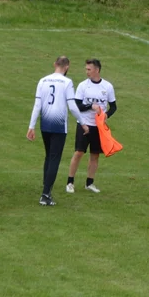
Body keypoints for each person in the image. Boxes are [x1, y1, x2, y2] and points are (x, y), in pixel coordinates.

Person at [27, 56, 86, 206]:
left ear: (55, 65)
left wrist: (31, 126)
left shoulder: (43, 80)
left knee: (48, 156)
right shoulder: (67, 82)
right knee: (54, 158)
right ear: (67, 67)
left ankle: (46, 187)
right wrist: (83, 122)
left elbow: (37, 104)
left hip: (45, 124)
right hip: (59, 125)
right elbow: (72, 106)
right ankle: (46, 194)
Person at [67, 58, 117, 194]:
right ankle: (70, 182)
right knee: (79, 152)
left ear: (97, 70)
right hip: (84, 125)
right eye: (86, 69)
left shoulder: (107, 87)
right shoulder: (83, 86)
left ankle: (89, 183)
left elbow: (113, 107)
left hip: (98, 127)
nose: (86, 71)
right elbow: (77, 106)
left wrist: (106, 115)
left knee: (95, 155)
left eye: (89, 69)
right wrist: (91, 106)